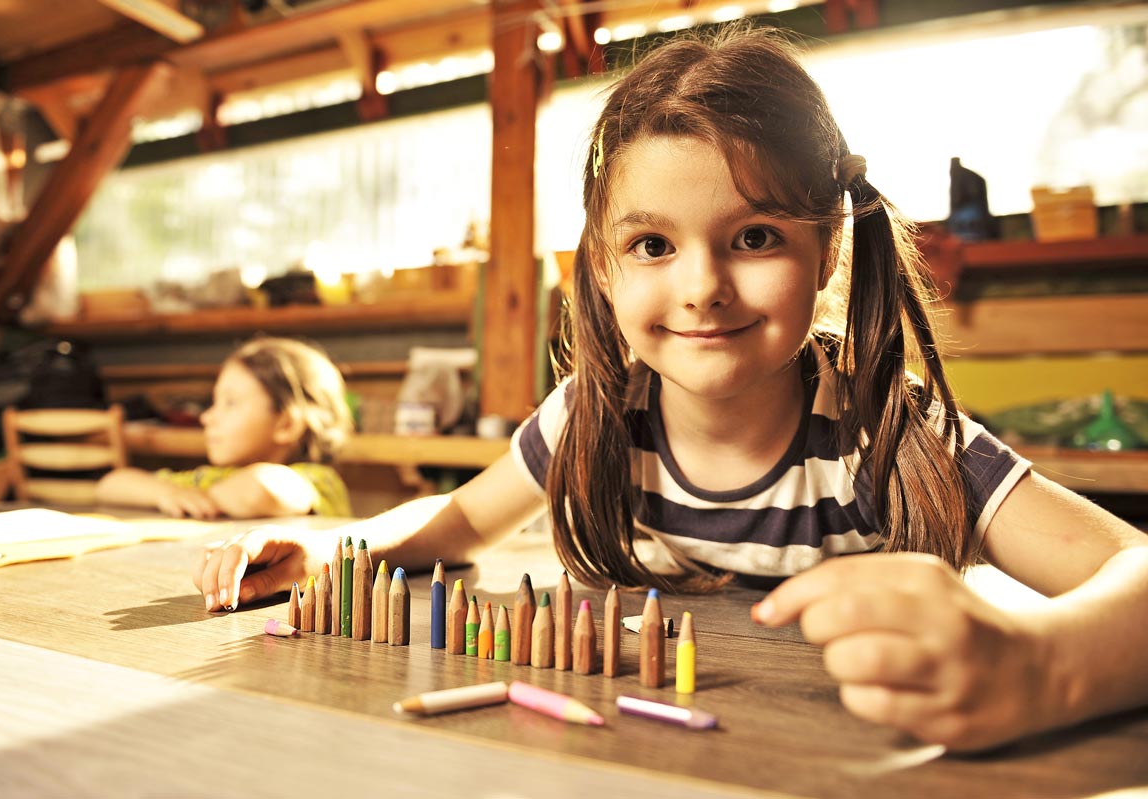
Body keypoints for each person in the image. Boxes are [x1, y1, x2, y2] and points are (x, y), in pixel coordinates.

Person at [194, 27, 1148, 751]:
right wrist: (333, 552)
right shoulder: (592, 415)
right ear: (604, 272)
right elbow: (450, 526)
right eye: (653, 244)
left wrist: (1045, 670)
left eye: (756, 236)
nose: (701, 286)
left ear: (825, 256)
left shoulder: (890, 432)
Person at [97, 336, 352, 519]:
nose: (207, 417)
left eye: (230, 403)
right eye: (213, 402)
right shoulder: (214, 479)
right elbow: (110, 485)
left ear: (285, 425)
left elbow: (261, 490)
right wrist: (167, 493)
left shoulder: (320, 481)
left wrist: (203, 499)